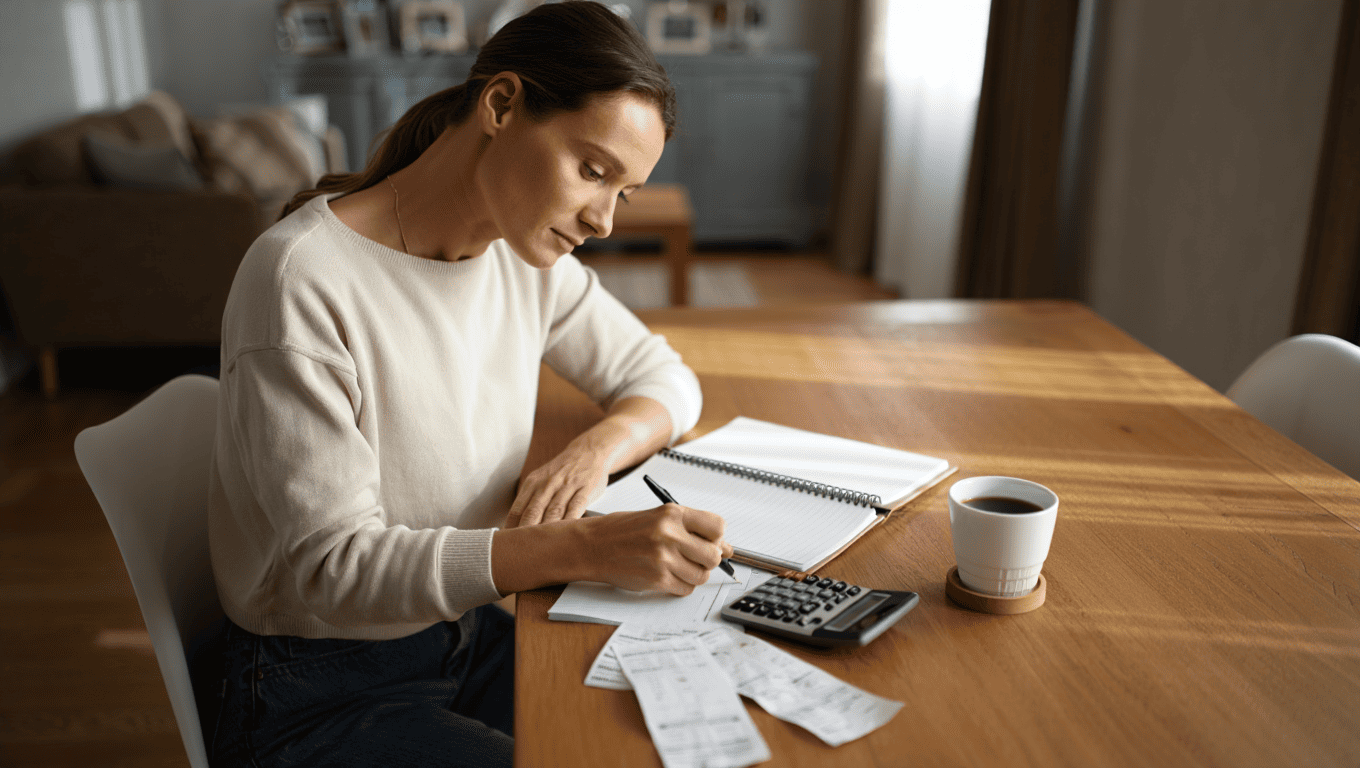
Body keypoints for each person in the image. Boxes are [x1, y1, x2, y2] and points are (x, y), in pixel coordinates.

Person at [198, 3, 731, 766]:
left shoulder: (522, 258)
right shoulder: (301, 278)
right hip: (314, 689)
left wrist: (597, 451)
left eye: (625, 191)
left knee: (677, 731)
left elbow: (663, 377)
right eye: (593, 170)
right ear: (502, 105)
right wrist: (574, 546)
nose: (605, 219)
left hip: (466, 635)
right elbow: (333, 568)